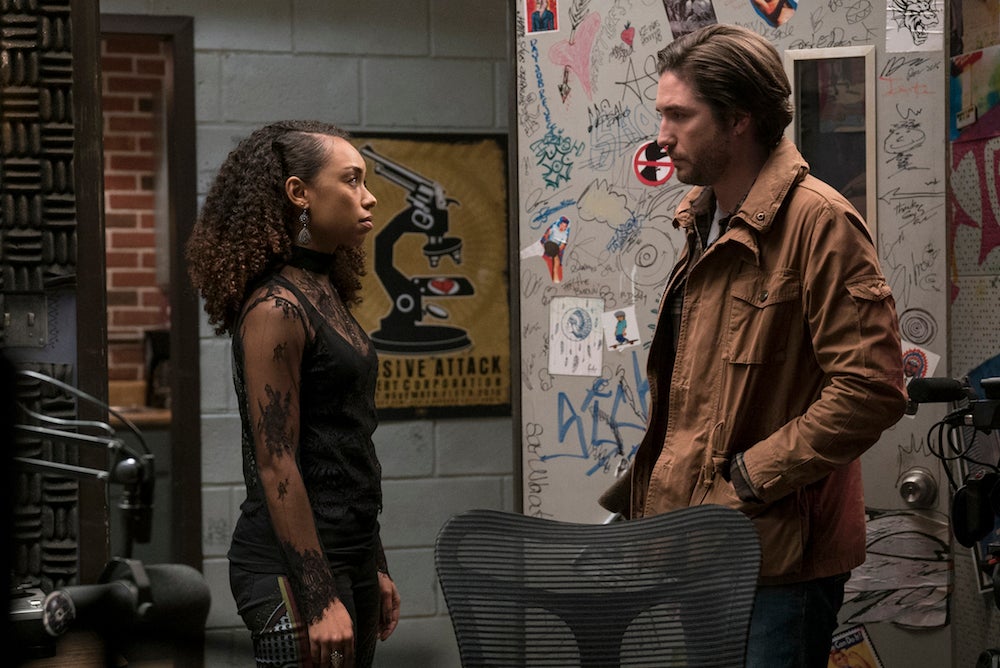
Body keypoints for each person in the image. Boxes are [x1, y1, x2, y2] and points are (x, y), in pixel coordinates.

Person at [599, 24, 906, 668]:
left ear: (739, 119)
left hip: (777, 563)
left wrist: (745, 479)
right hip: (704, 545)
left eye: (680, 115)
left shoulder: (819, 223)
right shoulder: (703, 221)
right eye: (661, 114)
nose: (661, 136)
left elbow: (870, 391)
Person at [186, 120, 400, 668]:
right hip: (290, 570)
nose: (369, 196)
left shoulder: (322, 291)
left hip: (347, 553)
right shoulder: (275, 309)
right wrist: (320, 596)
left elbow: (347, 443)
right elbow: (276, 460)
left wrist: (373, 560)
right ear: (299, 193)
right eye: (351, 180)